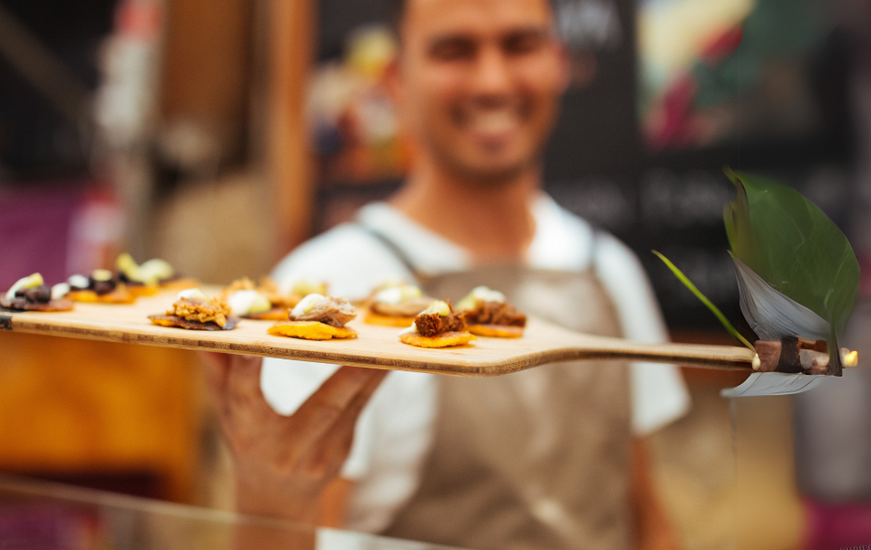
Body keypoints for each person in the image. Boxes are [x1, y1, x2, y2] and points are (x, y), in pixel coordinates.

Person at [202, 0, 689, 548]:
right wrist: (269, 500)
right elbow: (284, 529)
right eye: (453, 50)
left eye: (519, 45)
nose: (491, 81)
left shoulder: (609, 270)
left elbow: (648, 521)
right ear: (396, 79)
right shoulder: (325, 289)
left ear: (558, 61)